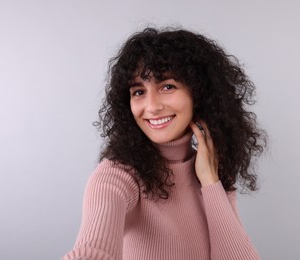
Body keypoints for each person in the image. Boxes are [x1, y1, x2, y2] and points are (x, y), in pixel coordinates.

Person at [62, 27, 266, 260]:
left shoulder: (210, 170)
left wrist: (211, 182)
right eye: (138, 91)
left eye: (167, 87)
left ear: (198, 94)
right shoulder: (116, 176)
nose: (152, 106)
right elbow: (92, 250)